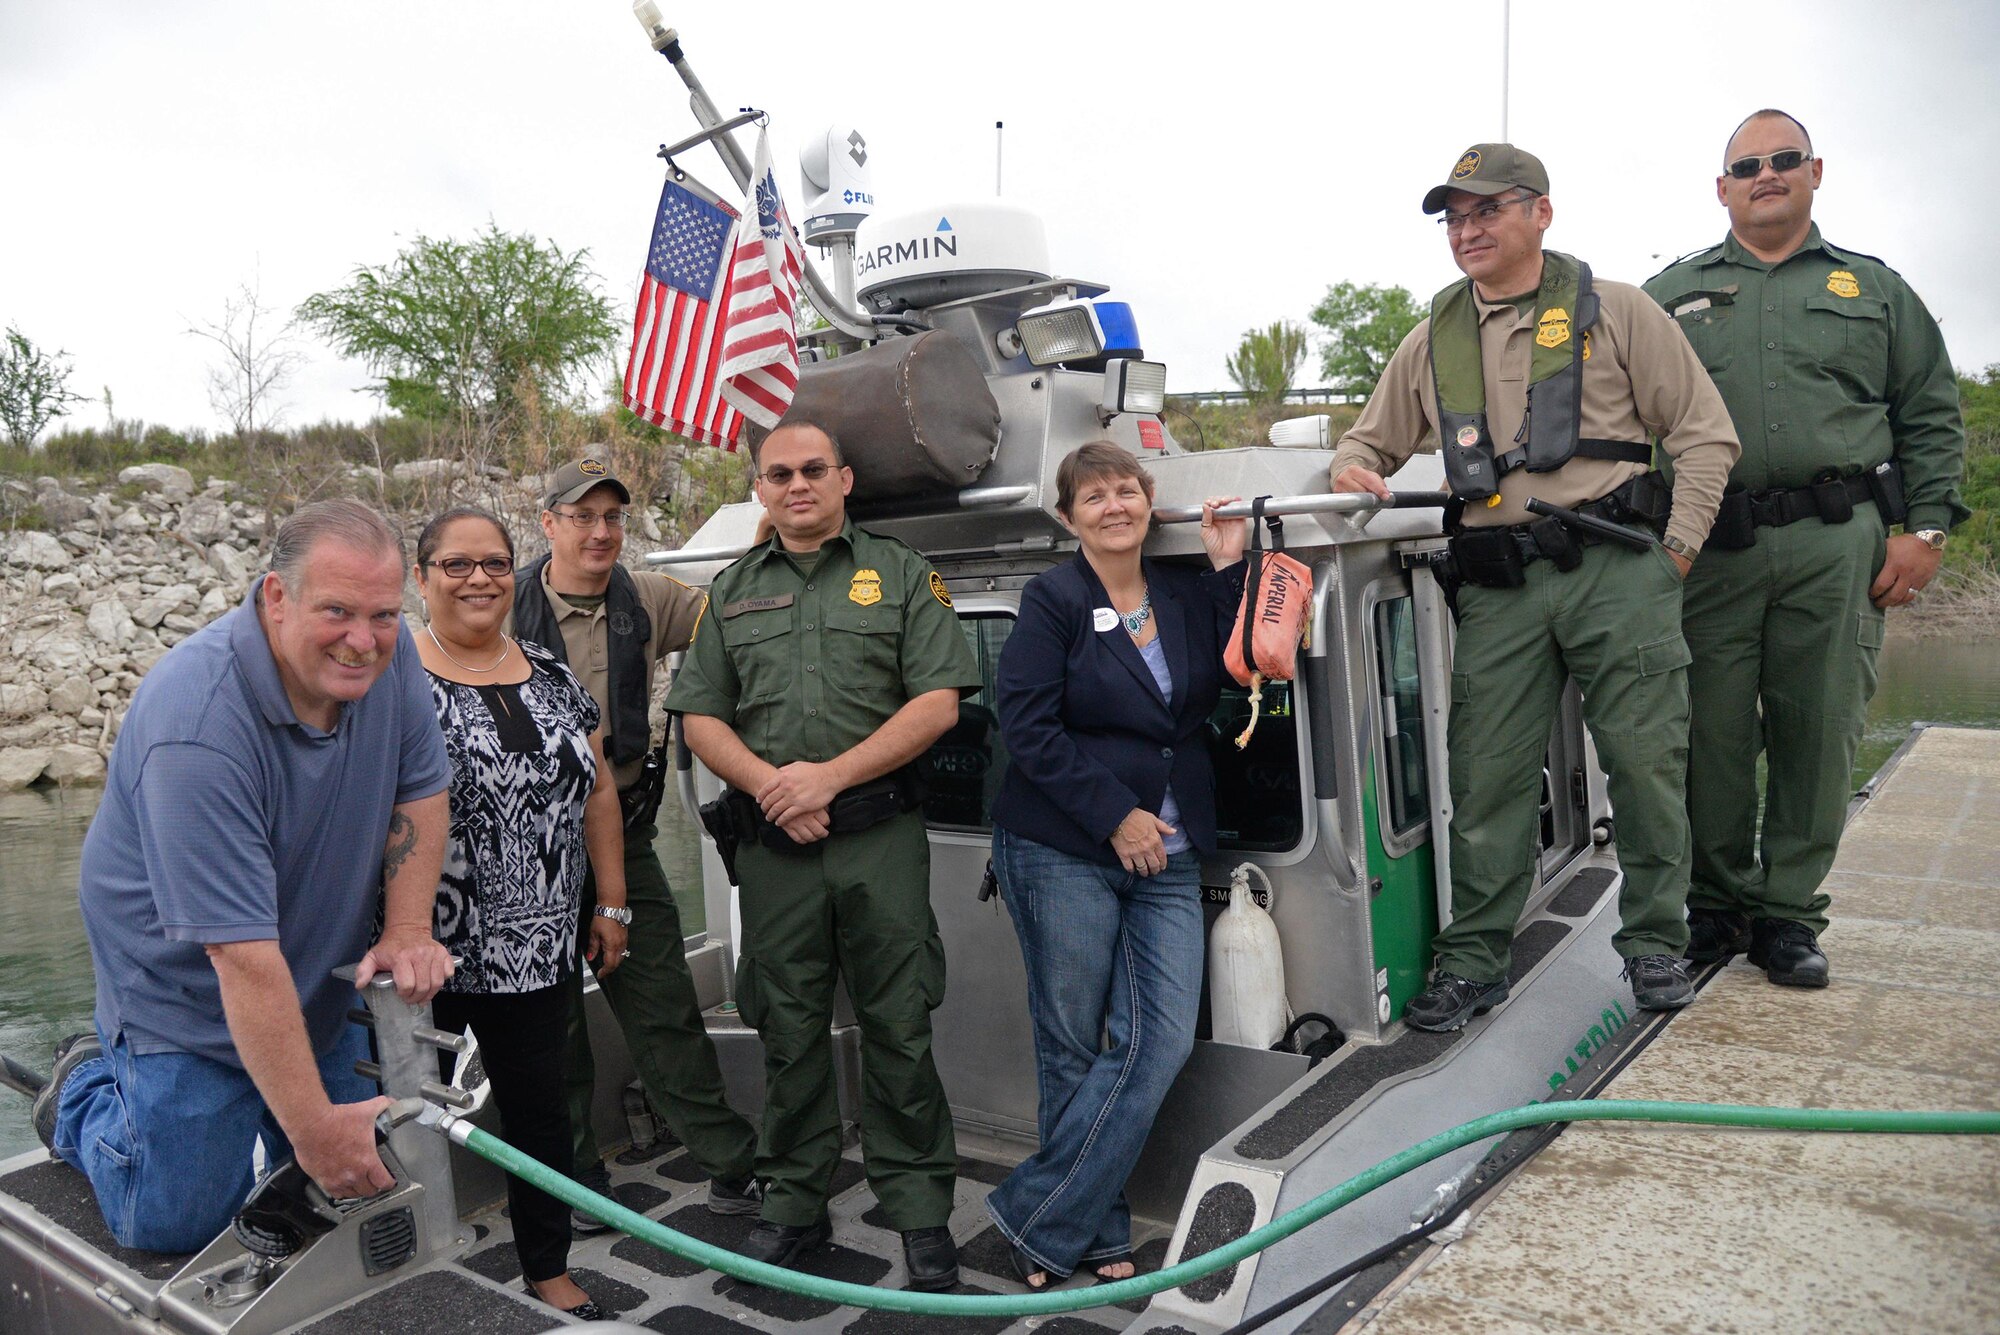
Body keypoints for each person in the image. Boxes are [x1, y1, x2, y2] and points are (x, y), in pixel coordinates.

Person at [1329, 143, 1742, 1030]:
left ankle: (1657, 945)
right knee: (1485, 778)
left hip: (1617, 571)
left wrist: (1673, 555)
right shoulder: (1431, 337)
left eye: (1488, 211)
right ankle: (1475, 961)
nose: (1468, 230)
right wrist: (1352, 468)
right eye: (1455, 217)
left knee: (1648, 768)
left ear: (1541, 214)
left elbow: (1706, 435)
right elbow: (1367, 444)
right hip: (1500, 586)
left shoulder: (1619, 311)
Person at [37, 499, 453, 1253]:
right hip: (182, 985)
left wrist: (408, 927)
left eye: (385, 614)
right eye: (337, 611)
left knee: (369, 1189)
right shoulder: (195, 722)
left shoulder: (393, 662)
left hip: (312, 964)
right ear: (275, 596)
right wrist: (316, 1132)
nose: (363, 641)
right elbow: (241, 958)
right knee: (171, 1224)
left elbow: (421, 784)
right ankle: (82, 1091)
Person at [1643, 111, 1968, 987]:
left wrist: (1926, 531)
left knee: (1818, 733)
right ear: (1723, 188)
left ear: (1816, 172)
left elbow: (1931, 413)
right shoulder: (1668, 296)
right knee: (1704, 738)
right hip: (1709, 548)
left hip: (1840, 545)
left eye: (1785, 160)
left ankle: (1787, 916)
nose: (1767, 174)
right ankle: (1715, 907)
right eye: (1747, 165)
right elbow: (1632, 426)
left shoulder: (1877, 291)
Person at [667, 419, 980, 1291]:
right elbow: (700, 718)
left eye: (813, 469)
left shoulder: (905, 575)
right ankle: (793, 1204)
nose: (796, 484)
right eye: (779, 474)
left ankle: (919, 1212)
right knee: (787, 1029)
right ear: (761, 490)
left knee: (899, 1026)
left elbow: (940, 702)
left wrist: (826, 781)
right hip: (777, 854)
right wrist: (777, 788)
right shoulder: (729, 593)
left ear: (844, 478)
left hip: (878, 842)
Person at [985, 443, 1246, 1288]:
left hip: (1169, 855)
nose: (1113, 505)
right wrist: (1115, 814)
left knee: (1160, 1040)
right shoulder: (1053, 599)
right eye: (1092, 496)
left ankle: (1035, 1218)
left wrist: (1230, 568)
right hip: (1063, 849)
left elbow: (1243, 666)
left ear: (1147, 500)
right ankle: (1095, 1236)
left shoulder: (1180, 593)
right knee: (1070, 1043)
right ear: (1069, 517)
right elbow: (1024, 725)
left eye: (1126, 490)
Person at [510, 456, 761, 1229]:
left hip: (624, 828)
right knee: (552, 1025)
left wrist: (775, 533)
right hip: (527, 849)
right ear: (547, 522)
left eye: (613, 517)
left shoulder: (649, 596)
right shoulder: (500, 606)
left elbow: (740, 617)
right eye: (582, 516)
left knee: (664, 1006)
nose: (600, 531)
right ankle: (575, 1172)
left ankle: (731, 1163)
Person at [413, 506, 621, 1321]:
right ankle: (416, 1259)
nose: (479, 579)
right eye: (456, 564)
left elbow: (598, 788)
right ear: (421, 573)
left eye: (495, 562)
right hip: (424, 946)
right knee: (410, 1112)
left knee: (541, 1111)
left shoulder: (549, 670)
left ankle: (546, 1263)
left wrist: (611, 903)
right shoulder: (393, 672)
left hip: (539, 945)